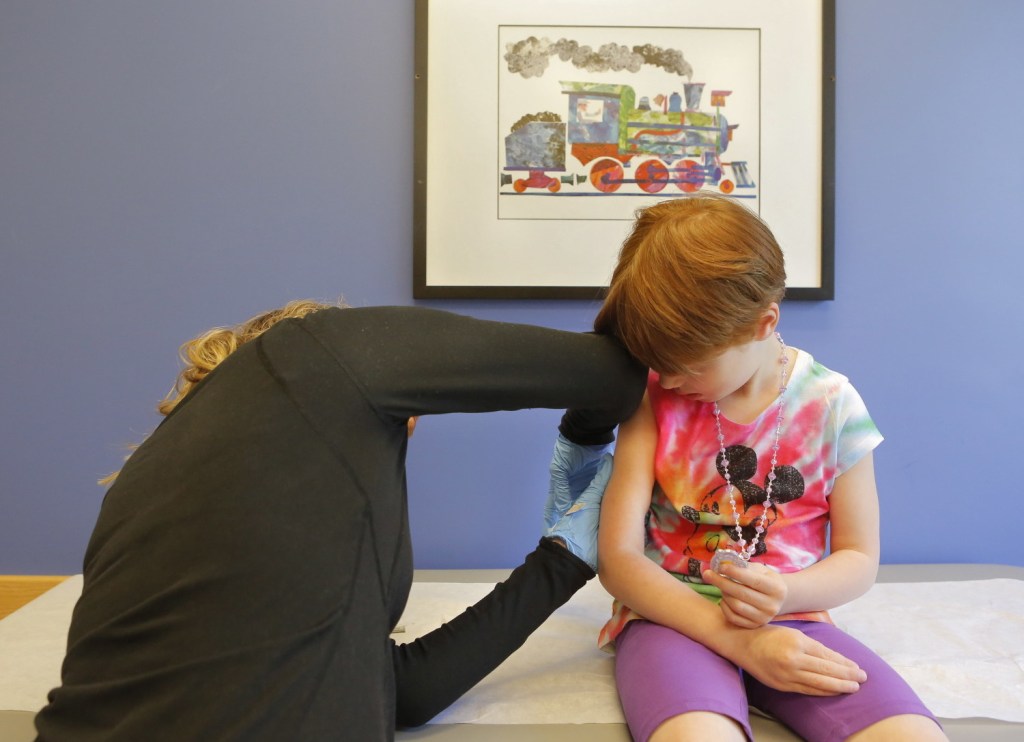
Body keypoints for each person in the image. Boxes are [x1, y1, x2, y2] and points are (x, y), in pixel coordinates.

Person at [34, 301, 646, 741]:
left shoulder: (147, 483)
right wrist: (587, 444)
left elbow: (402, 691)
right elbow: (611, 372)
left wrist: (563, 559)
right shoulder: (316, 352)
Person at [593, 195, 947, 742]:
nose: (667, 378)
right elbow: (618, 560)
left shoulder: (834, 406)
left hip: (794, 617)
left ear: (764, 323)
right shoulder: (653, 400)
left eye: (688, 364)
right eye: (657, 362)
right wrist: (738, 642)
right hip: (670, 617)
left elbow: (858, 557)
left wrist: (787, 597)